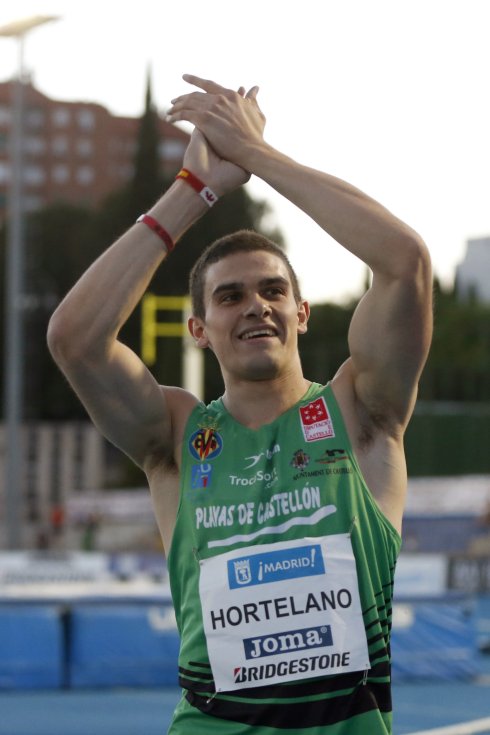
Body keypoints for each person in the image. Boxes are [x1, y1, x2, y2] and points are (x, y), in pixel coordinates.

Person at [47, 74, 433, 734]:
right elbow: (75, 340)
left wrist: (252, 152)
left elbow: (406, 263)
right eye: (229, 296)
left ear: (302, 313)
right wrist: (193, 192)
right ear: (199, 329)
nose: (255, 304)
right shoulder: (174, 435)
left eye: (273, 291)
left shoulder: (361, 413)